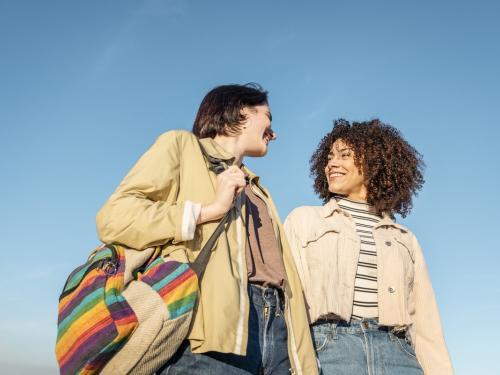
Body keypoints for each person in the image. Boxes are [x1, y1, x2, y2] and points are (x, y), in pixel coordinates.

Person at [96, 83, 318, 374]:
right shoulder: (181, 146)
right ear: (241, 112)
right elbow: (115, 217)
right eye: (268, 117)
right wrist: (208, 210)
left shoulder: (258, 188)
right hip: (208, 331)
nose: (274, 131)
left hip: (276, 332)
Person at [284, 119, 453, 375]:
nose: (332, 163)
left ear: (374, 163)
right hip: (329, 350)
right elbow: (288, 299)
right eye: (329, 157)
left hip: (398, 352)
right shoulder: (304, 220)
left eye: (345, 155)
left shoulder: (403, 237)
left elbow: (426, 323)